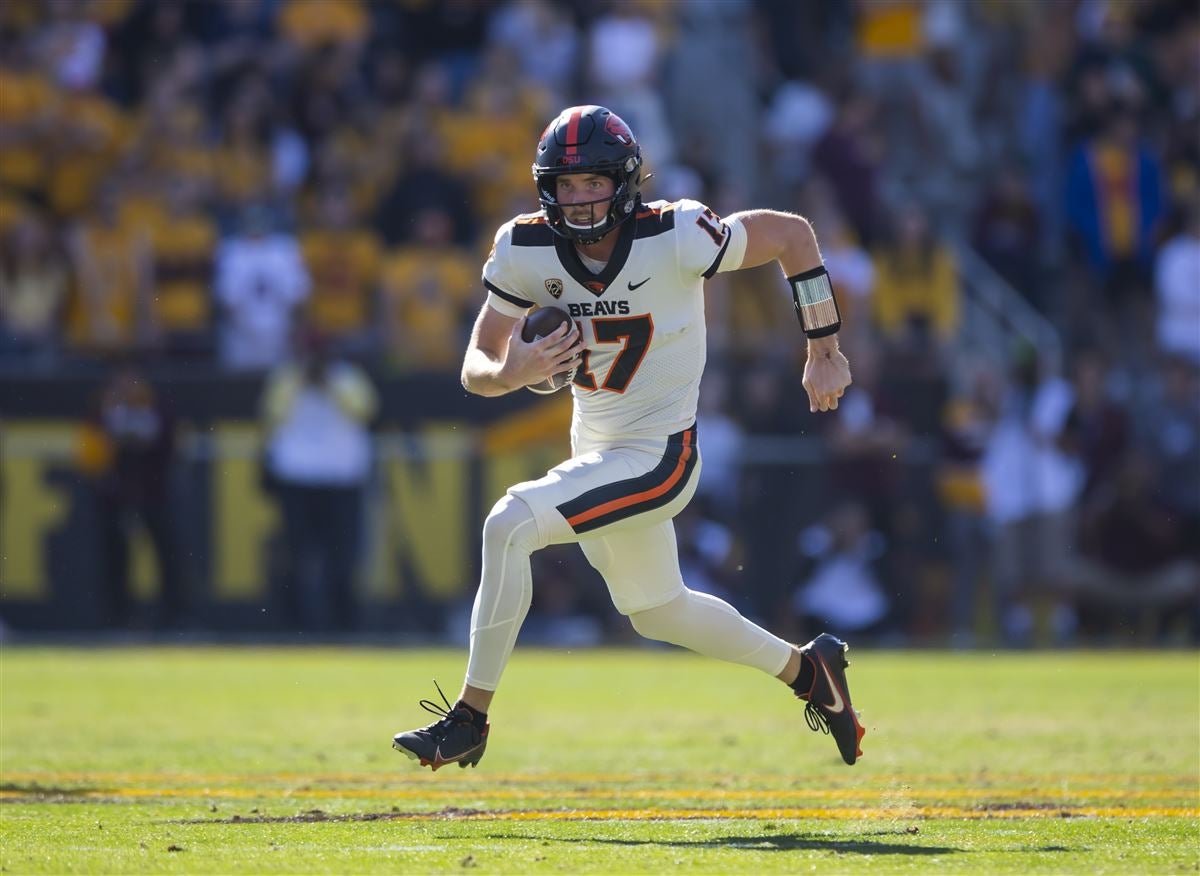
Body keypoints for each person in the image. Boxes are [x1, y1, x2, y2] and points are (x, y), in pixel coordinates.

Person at [391, 105, 863, 770]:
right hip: (597, 449)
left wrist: (822, 348)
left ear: (626, 182)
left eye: (594, 183)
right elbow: (476, 366)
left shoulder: (676, 233)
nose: (580, 200)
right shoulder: (524, 247)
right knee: (656, 610)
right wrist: (511, 371)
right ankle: (812, 673)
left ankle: (469, 718)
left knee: (508, 524)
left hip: (660, 454)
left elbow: (792, 235)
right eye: (567, 185)